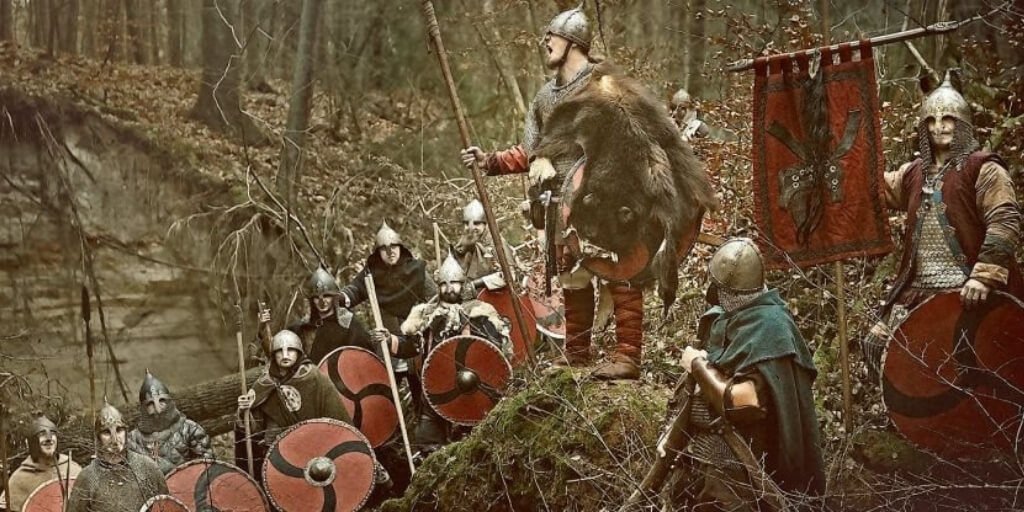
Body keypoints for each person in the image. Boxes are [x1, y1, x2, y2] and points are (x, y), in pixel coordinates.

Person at [459, 6, 649, 380]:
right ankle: (577, 352)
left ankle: (628, 356)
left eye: (553, 36)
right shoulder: (546, 97)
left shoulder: (603, 86)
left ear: (574, 42)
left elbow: (629, 139)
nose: (545, 41)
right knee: (573, 277)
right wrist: (490, 161)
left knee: (618, 272)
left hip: (604, 198)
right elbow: (533, 150)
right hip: (561, 203)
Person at [861, 72, 1022, 377]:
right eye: (931, 121)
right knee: (875, 345)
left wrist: (984, 276)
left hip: (970, 291)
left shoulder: (983, 169)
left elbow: (1004, 219)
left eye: (947, 118)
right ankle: (902, 423)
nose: (939, 126)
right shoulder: (913, 173)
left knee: (975, 369)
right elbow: (873, 189)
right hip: (918, 292)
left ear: (962, 123)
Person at [661, 238, 825, 510]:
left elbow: (744, 403)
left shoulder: (772, 328)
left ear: (730, 291)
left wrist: (698, 366)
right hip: (706, 450)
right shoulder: (730, 317)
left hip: (746, 456)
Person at [372, 252, 510, 453]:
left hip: (473, 386)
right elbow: (411, 347)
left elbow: (492, 354)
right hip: (437, 387)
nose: (449, 288)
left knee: (474, 443)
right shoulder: (427, 315)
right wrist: (389, 339)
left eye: (454, 283)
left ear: (463, 284)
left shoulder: (480, 313)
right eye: (444, 284)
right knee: (426, 441)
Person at [340, 221, 436, 409]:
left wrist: (423, 319)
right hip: (386, 344)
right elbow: (354, 290)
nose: (390, 251)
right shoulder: (371, 274)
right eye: (384, 249)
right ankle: (390, 434)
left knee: (423, 396)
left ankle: (427, 432)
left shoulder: (417, 270)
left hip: (415, 344)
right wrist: (341, 297)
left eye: (393, 246)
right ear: (378, 253)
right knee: (383, 397)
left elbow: (435, 301)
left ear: (400, 247)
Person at [235, 329, 351, 472]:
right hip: (276, 446)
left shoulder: (313, 377)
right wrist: (244, 410)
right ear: (273, 355)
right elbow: (253, 429)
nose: (285, 355)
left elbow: (334, 413)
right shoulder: (265, 383)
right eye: (279, 351)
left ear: (298, 353)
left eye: (290, 350)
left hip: (314, 442)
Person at [66, 402, 168, 512]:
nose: (115, 440)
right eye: (106, 432)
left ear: (126, 432)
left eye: (119, 430)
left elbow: (168, 507)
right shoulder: (87, 477)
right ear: (98, 438)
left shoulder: (148, 468)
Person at [285, 266, 375, 365]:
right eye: (316, 297)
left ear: (334, 297)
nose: (322, 301)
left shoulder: (349, 324)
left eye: (326, 296)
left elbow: (365, 359)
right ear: (312, 301)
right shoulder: (303, 328)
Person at [126, 370, 212, 474]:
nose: (158, 409)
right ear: (144, 409)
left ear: (169, 402)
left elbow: (207, 469)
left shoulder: (190, 429)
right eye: (150, 404)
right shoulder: (133, 439)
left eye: (162, 401)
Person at [0, 415, 81, 512]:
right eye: (42, 434)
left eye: (52, 433)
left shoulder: (72, 468)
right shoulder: (21, 478)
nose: (49, 439)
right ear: (33, 442)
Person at [453, 199, 520, 299]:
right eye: (467, 224)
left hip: (499, 297)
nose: (471, 227)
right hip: (473, 296)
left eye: (476, 223)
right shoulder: (467, 241)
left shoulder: (496, 242)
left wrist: (477, 284)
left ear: (484, 224)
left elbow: (510, 276)